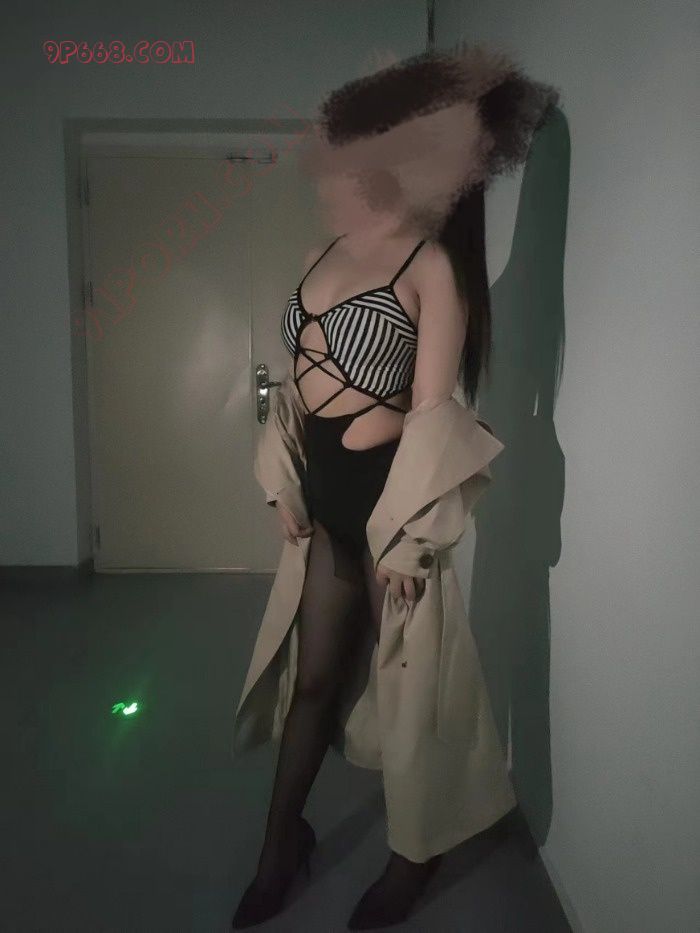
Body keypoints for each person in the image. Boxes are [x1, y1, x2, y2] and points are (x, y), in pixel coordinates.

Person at [232, 44, 560, 929]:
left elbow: (433, 413)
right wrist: (281, 482)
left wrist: (411, 536)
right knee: (313, 679)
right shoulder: (321, 252)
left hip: (387, 506)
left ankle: (416, 855)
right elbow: (296, 384)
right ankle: (279, 845)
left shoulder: (430, 266)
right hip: (325, 501)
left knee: (413, 694)